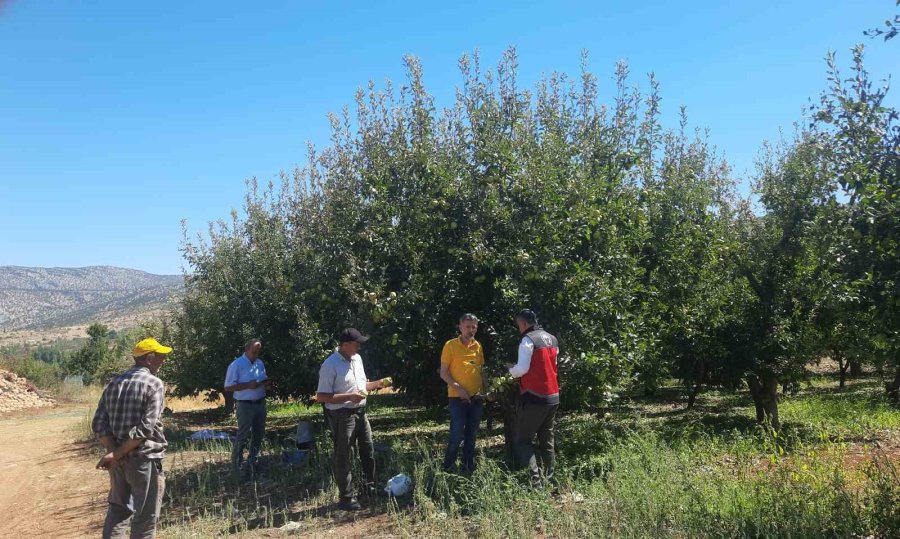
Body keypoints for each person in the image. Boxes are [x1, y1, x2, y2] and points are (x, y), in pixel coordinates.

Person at [92, 337, 172, 539]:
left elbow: (98, 424)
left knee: (118, 511)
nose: (163, 360)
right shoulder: (154, 383)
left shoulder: (114, 383)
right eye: (161, 356)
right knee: (145, 517)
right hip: (144, 459)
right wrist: (118, 453)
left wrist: (114, 453)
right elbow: (146, 427)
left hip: (119, 462)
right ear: (149, 358)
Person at [316, 328, 388, 511]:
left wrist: (377, 384)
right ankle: (346, 497)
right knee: (343, 455)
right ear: (345, 345)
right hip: (342, 415)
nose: (359, 347)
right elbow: (322, 396)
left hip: (361, 412)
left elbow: (361, 386)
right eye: (356, 344)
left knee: (368, 449)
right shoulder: (330, 364)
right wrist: (349, 397)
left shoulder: (357, 359)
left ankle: (368, 486)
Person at [506, 309, 559, 488]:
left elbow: (522, 369)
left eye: (518, 325)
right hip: (553, 396)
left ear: (523, 324)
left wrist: (510, 370)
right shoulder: (552, 339)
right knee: (547, 440)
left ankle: (535, 484)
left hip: (535, 396)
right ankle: (550, 480)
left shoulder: (527, 340)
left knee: (523, 440)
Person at [439, 313, 487, 473]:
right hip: (457, 399)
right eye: (467, 326)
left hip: (476, 399)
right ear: (460, 327)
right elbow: (444, 373)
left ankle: (467, 467)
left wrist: (486, 391)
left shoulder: (478, 346)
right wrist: (459, 389)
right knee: (456, 435)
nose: (471, 330)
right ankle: (448, 467)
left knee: (471, 435)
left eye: (474, 327)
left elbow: (481, 371)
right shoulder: (450, 345)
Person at [224, 338, 270, 476]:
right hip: (245, 405)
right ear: (247, 349)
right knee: (243, 434)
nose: (257, 353)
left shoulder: (259, 363)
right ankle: (237, 463)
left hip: (260, 403)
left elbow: (263, 379)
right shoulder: (236, 365)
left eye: (258, 351)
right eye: (254, 350)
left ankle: (252, 460)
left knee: (258, 433)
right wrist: (247, 385)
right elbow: (228, 387)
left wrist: (266, 384)